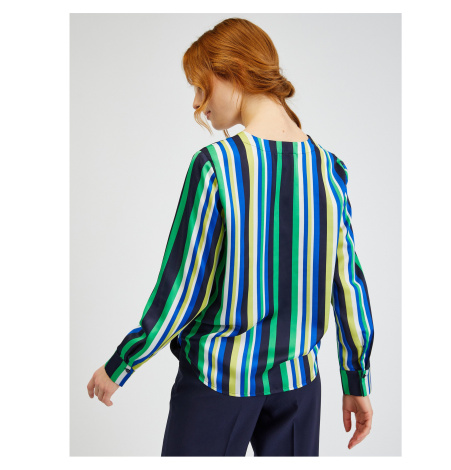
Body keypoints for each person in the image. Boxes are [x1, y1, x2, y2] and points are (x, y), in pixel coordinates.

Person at [87, 17, 375, 456]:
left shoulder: (216, 166)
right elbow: (348, 286)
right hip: (299, 386)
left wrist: (122, 363)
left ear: (234, 72)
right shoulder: (328, 169)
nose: (197, 104)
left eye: (201, 86)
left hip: (218, 379)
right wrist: (356, 380)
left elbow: (183, 289)